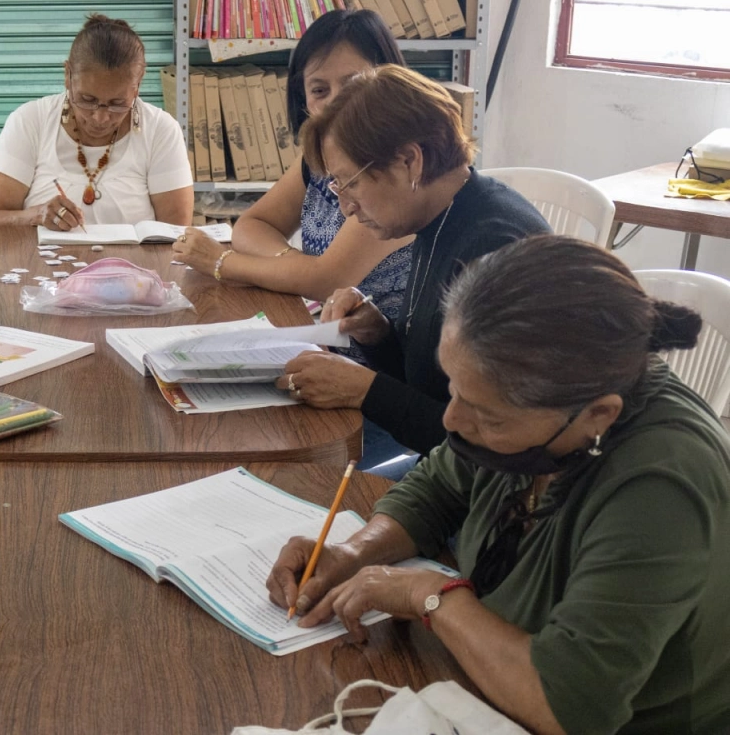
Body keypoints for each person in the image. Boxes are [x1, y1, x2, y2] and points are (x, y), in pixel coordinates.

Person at [267, 236, 730, 735]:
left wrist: (434, 596)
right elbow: (438, 487)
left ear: (598, 415)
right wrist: (354, 553)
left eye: (488, 416)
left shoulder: (661, 487)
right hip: (485, 680)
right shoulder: (533, 396)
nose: (452, 419)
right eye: (453, 388)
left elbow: (567, 705)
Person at [278, 64, 550, 474]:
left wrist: (366, 392)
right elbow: (435, 378)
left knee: (307, 491)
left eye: (351, 183)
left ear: (410, 161)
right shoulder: (437, 214)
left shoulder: (495, 252)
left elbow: (489, 449)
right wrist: (380, 335)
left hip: (491, 496)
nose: (346, 206)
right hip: (444, 474)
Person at [171, 10, 413, 321]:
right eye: (319, 90)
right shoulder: (317, 159)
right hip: (328, 339)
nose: (336, 103)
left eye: (354, 84)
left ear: (388, 80)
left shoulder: (396, 168)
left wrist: (221, 262)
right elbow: (252, 225)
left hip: (378, 359)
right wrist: (293, 265)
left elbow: (325, 280)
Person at [0, 14, 194, 231]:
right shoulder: (30, 121)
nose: (100, 118)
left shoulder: (161, 130)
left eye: (117, 104)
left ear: (137, 85)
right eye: (87, 100)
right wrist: (37, 215)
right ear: (67, 75)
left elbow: (175, 234)